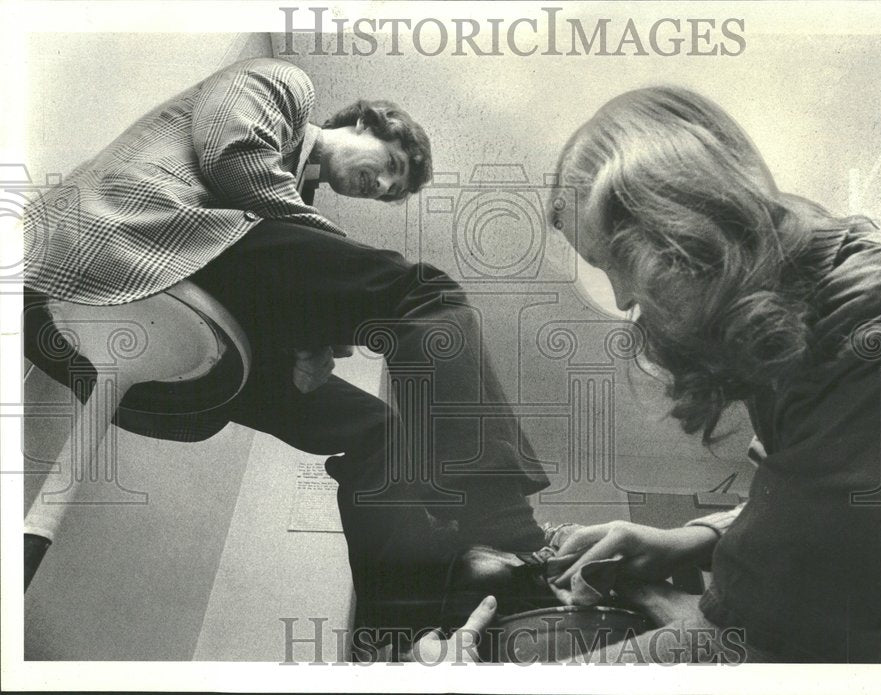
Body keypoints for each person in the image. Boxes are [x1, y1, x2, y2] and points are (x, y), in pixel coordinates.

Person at [23, 58, 549, 654]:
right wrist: (321, 322)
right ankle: (503, 522)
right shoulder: (281, 85)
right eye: (389, 167)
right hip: (115, 241)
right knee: (425, 296)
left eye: (390, 193)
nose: (379, 187)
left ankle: (399, 633)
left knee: (381, 434)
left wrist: (301, 350)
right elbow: (233, 157)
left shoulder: (279, 213)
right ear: (367, 122)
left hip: (152, 364)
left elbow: (267, 267)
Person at [539, 86, 881, 663]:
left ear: (682, 230)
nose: (622, 297)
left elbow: (765, 649)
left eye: (616, 262)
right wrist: (690, 541)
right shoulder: (798, 285)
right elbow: (811, 500)